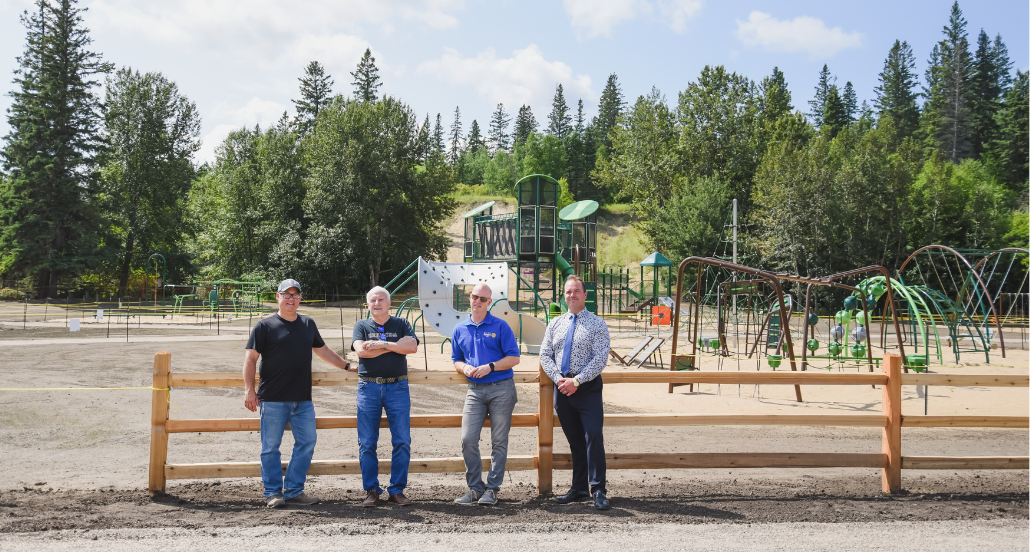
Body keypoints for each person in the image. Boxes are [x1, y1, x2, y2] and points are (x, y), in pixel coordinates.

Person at [243, 278, 352, 509]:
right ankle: (273, 493)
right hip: (272, 398)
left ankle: (293, 491)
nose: (291, 298)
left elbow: (323, 351)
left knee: (307, 442)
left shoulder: (308, 324)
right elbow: (251, 359)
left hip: (302, 399)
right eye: (287, 294)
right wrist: (249, 390)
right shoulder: (264, 326)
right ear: (278, 297)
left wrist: (346, 366)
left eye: (295, 294)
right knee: (270, 446)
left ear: (300, 298)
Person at [540, 275, 611, 510]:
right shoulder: (555, 324)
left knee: (593, 437)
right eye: (568, 291)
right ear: (564, 294)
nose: (572, 295)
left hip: (587, 388)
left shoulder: (597, 324)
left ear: (585, 295)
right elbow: (545, 356)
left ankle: (598, 489)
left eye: (576, 291)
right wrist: (560, 379)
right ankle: (579, 488)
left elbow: (601, 358)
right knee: (575, 442)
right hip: (562, 389)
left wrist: (577, 381)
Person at [450, 283, 521, 505]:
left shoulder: (501, 326)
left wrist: (490, 366)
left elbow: (514, 358)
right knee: (468, 439)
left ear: (489, 302)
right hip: (474, 391)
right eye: (474, 297)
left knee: (499, 441)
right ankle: (475, 488)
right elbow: (456, 360)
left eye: (483, 299)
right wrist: (464, 368)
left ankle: (492, 489)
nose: (477, 301)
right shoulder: (460, 329)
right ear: (469, 298)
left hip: (501, 388)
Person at [351, 286, 419, 507]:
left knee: (402, 441)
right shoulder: (361, 326)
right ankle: (372, 490)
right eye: (373, 300)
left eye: (381, 299)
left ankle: (396, 490)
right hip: (368, 388)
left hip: (397, 387)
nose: (377, 303)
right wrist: (395, 347)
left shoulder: (401, 324)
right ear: (368, 304)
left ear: (389, 303)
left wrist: (382, 344)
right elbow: (361, 351)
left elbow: (412, 347)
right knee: (367, 442)